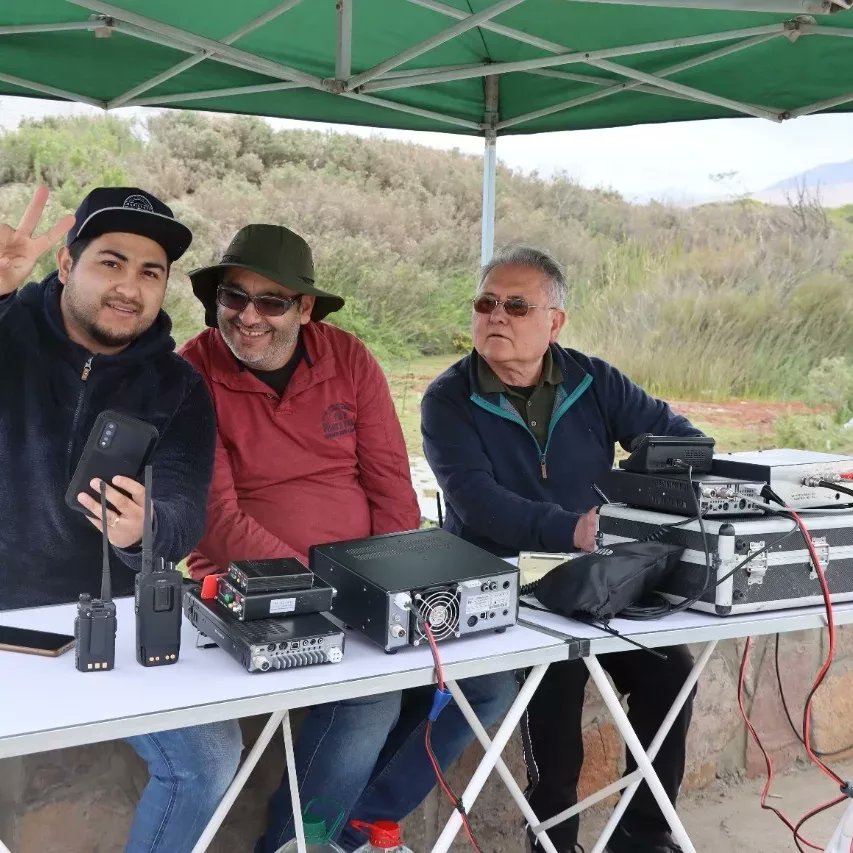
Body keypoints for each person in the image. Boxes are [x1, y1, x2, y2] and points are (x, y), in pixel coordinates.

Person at [179, 223, 518, 852]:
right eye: (233, 297)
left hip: (364, 581)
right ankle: (295, 845)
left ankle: (355, 826)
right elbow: (216, 522)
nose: (248, 317)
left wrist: (385, 586)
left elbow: (392, 486)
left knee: (492, 681)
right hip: (252, 586)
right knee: (369, 702)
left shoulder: (348, 358)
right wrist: (328, 591)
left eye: (271, 301)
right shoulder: (191, 372)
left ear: (305, 309)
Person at [421, 246, 705, 853]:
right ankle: (553, 845)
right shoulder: (447, 399)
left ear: (555, 322)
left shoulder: (593, 380)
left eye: (516, 305)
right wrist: (574, 527)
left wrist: (634, 493)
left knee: (670, 672)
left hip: (598, 577)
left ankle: (646, 835)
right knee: (554, 694)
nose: (497, 315)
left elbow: (681, 442)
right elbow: (477, 504)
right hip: (508, 583)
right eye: (486, 302)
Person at [0, 185, 242, 852]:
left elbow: (186, 507)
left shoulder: (177, 384)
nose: (129, 287)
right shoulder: (9, 331)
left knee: (209, 757)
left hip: (106, 623)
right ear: (68, 262)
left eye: (150, 271)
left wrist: (144, 531)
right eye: (111, 261)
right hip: (3, 617)